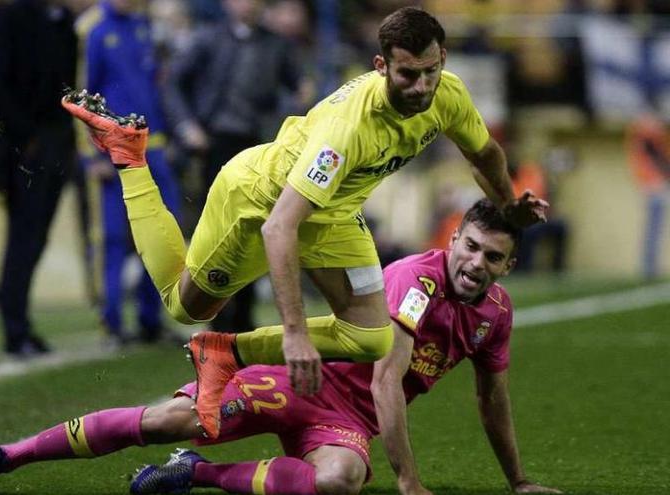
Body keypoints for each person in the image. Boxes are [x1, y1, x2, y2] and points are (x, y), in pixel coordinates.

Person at [62, 6, 549, 438]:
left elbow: (483, 152)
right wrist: (293, 334)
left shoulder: (449, 94)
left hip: (333, 215)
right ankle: (131, 159)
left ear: (442, 58)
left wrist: (508, 206)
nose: (422, 87)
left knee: (371, 337)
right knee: (186, 307)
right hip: (259, 203)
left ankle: (226, 352)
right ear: (381, 67)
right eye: (407, 75)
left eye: (431, 72)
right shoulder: (348, 130)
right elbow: (280, 227)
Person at [0, 199, 561, 495]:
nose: (475, 263)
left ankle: (197, 475)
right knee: (174, 418)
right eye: (470, 246)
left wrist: (519, 481)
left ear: (508, 266)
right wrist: (409, 482)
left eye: (492, 257)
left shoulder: (496, 316)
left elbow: (493, 399)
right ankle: (7, 455)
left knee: (340, 480)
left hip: (344, 424)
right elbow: (385, 381)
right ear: (453, 239)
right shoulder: (415, 281)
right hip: (297, 381)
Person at [162, 0, 311, 333]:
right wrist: (187, 126)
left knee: (255, 231)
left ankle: (240, 317)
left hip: (259, 149)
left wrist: (286, 113)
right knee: (214, 232)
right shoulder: (207, 39)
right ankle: (211, 314)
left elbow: (300, 89)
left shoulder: (277, 45)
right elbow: (173, 84)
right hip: (214, 145)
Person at [76, 0, 182, 347]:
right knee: (113, 238)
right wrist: (92, 154)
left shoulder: (144, 27)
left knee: (161, 234)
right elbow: (80, 95)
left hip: (154, 147)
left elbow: (156, 87)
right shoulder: (91, 29)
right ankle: (111, 322)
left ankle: (150, 319)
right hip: (113, 151)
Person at [0, 0, 79, 356]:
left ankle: (21, 324)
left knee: (35, 238)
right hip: (23, 148)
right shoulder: (11, 16)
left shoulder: (62, 20)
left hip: (54, 144)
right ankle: (14, 328)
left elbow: (63, 85)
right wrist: (27, 136)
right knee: (23, 237)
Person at [625, 113, 670, 279]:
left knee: (653, 228)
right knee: (653, 228)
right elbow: (657, 159)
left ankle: (649, 267)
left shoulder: (642, 133)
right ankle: (649, 268)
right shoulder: (647, 134)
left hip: (652, 185)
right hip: (654, 186)